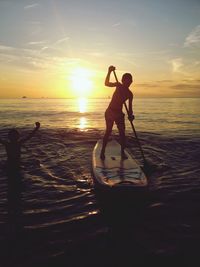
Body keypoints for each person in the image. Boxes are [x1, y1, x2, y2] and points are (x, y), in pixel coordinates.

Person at [100, 66, 134, 160]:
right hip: (110, 112)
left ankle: (122, 152)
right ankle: (102, 151)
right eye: (127, 81)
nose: (129, 83)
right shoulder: (118, 85)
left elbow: (130, 109)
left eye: (130, 81)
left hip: (119, 114)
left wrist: (131, 116)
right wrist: (109, 71)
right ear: (123, 80)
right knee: (108, 131)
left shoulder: (130, 94)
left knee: (122, 134)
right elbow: (106, 83)